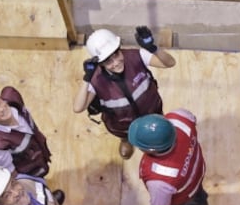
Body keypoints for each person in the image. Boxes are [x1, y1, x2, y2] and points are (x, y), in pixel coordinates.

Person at [72, 26, 176, 159]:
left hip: (152, 112)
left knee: (158, 136)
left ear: (119, 48)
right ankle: (126, 140)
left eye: (116, 54)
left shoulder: (136, 56)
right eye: (108, 61)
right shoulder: (96, 79)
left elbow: (170, 63)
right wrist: (87, 78)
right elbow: (78, 108)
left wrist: (153, 48)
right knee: (124, 135)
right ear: (100, 63)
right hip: (123, 126)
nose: (116, 63)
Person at [128, 110, 208, 205]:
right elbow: (192, 117)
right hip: (196, 175)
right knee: (197, 193)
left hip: (180, 200)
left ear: (152, 150)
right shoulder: (180, 118)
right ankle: (200, 204)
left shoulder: (159, 178)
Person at [0, 84, 59, 186]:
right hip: (28, 172)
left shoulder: (12, 96)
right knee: (38, 187)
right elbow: (13, 174)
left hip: (38, 153)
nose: (1, 109)